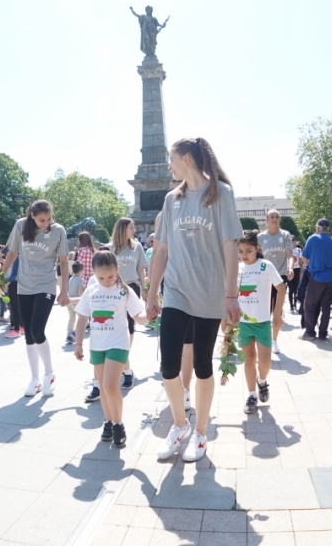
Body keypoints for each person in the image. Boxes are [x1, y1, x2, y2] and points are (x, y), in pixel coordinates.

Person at [146, 137, 241, 463]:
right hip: (176, 291)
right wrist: (151, 292)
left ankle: (200, 433)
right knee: (168, 366)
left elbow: (231, 247)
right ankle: (179, 425)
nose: (169, 166)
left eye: (172, 160)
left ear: (186, 159)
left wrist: (231, 295)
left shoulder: (221, 194)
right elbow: (162, 249)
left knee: (202, 365)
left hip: (210, 293)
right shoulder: (171, 199)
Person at [73, 251, 147, 448]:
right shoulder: (91, 291)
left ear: (118, 270)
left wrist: (152, 316)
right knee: (103, 388)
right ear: (94, 275)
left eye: (111, 276)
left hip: (118, 344)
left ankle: (119, 424)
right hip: (97, 346)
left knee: (110, 386)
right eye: (101, 277)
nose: (106, 281)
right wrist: (78, 343)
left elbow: (138, 316)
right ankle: (109, 421)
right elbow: (81, 318)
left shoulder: (124, 290)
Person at [1, 200, 70, 397]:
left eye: (48, 219)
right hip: (24, 286)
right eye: (41, 220)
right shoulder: (20, 226)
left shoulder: (58, 231)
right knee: (29, 335)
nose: (46, 223)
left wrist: (64, 289)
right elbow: (12, 253)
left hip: (46, 285)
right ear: (32, 215)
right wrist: (0, 278)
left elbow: (64, 262)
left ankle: (49, 373)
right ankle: (35, 379)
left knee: (37, 329)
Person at [235, 230, 284, 414]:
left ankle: (262, 381)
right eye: (240, 251)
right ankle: (251, 395)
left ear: (257, 248)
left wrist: (277, 315)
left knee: (265, 362)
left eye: (248, 251)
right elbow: (231, 294)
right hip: (243, 323)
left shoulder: (266, 266)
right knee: (249, 360)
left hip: (263, 323)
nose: (244, 255)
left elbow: (281, 289)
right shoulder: (237, 268)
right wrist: (226, 319)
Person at [112, 217, 149, 389]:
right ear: (122, 229)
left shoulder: (137, 247)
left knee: (129, 326)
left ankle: (124, 363)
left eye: (134, 227)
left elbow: (141, 269)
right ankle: (126, 368)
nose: (134, 230)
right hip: (114, 289)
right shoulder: (111, 249)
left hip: (132, 288)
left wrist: (146, 288)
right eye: (131, 228)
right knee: (118, 328)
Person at [300, 219, 332, 340]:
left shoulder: (313, 239)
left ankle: (310, 332)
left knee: (309, 305)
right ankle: (323, 333)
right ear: (328, 228)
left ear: (318, 227)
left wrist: (308, 266)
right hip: (331, 278)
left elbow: (304, 258)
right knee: (326, 306)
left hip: (317, 277)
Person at [258, 209, 293, 342]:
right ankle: (265, 338)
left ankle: (274, 340)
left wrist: (290, 268)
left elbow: (289, 254)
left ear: (279, 220)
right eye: (271, 216)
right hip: (264, 276)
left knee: (276, 310)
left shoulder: (285, 235)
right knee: (266, 310)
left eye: (277, 217)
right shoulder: (260, 237)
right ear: (266, 220)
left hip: (280, 275)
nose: (274, 218)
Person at [66, 262, 85, 346]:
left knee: (71, 318)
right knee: (82, 319)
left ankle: (69, 334)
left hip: (69, 300)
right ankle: (74, 334)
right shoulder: (80, 279)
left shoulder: (71, 278)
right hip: (76, 302)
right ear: (80, 270)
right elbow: (80, 292)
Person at [288, 239, 302, 313]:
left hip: (297, 269)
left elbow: (300, 262)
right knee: (291, 289)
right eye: (291, 241)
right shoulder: (287, 250)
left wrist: (301, 272)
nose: (292, 242)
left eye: (293, 241)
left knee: (296, 289)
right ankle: (291, 305)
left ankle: (295, 304)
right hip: (289, 270)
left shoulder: (298, 250)